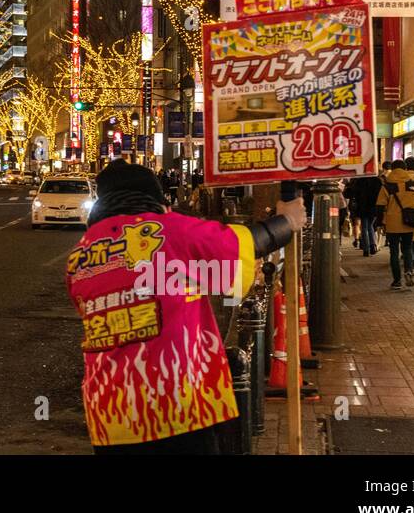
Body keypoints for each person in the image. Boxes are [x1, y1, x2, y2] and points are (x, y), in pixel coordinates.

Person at [65, 159, 300, 454]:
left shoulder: (80, 254)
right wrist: (286, 222)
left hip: (111, 413)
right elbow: (239, 247)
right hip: (178, 406)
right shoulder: (168, 232)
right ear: (153, 197)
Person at [376, 157, 414, 290]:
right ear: (405, 169)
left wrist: (379, 223)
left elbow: (379, 205)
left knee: (394, 251)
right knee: (407, 249)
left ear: (392, 170)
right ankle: (408, 271)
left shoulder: (387, 185)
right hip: (408, 221)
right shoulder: (412, 184)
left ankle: (397, 281)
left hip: (392, 223)